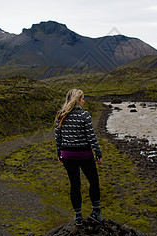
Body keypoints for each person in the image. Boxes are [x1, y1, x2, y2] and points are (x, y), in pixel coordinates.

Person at [54, 89, 104, 226]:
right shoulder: (84, 115)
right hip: (84, 154)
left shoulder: (60, 115)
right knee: (94, 181)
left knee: (74, 184)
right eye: (82, 98)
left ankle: (78, 217)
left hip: (67, 155)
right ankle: (96, 213)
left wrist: (59, 153)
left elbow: (58, 137)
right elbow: (91, 137)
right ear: (76, 100)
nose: (84, 100)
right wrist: (98, 153)